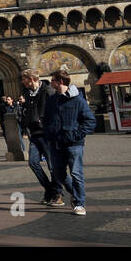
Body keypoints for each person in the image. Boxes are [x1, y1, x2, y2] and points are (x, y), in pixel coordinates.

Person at [42, 70, 96, 215]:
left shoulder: (77, 99)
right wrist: (48, 134)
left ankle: (80, 203)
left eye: (52, 80)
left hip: (73, 143)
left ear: (60, 81)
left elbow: (90, 121)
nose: (50, 82)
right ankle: (74, 192)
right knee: (58, 174)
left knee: (76, 173)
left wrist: (75, 135)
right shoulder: (52, 100)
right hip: (56, 143)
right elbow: (46, 120)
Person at [19, 69, 58, 206]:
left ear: (31, 79)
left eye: (23, 79)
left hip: (47, 134)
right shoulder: (27, 93)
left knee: (52, 166)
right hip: (34, 134)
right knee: (33, 162)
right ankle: (50, 190)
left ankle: (56, 194)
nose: (22, 82)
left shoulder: (47, 91)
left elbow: (55, 111)